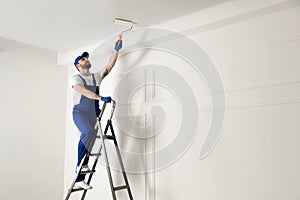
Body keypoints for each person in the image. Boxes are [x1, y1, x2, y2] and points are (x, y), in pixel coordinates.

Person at [70, 40, 123, 189]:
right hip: (80, 112)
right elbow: (83, 91)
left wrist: (116, 50)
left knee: (92, 139)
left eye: (87, 58)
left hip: (94, 113)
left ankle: (80, 179)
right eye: (82, 59)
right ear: (78, 65)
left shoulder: (96, 76)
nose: (86, 60)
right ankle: (79, 166)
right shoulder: (76, 78)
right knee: (86, 132)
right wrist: (100, 98)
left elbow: (110, 66)